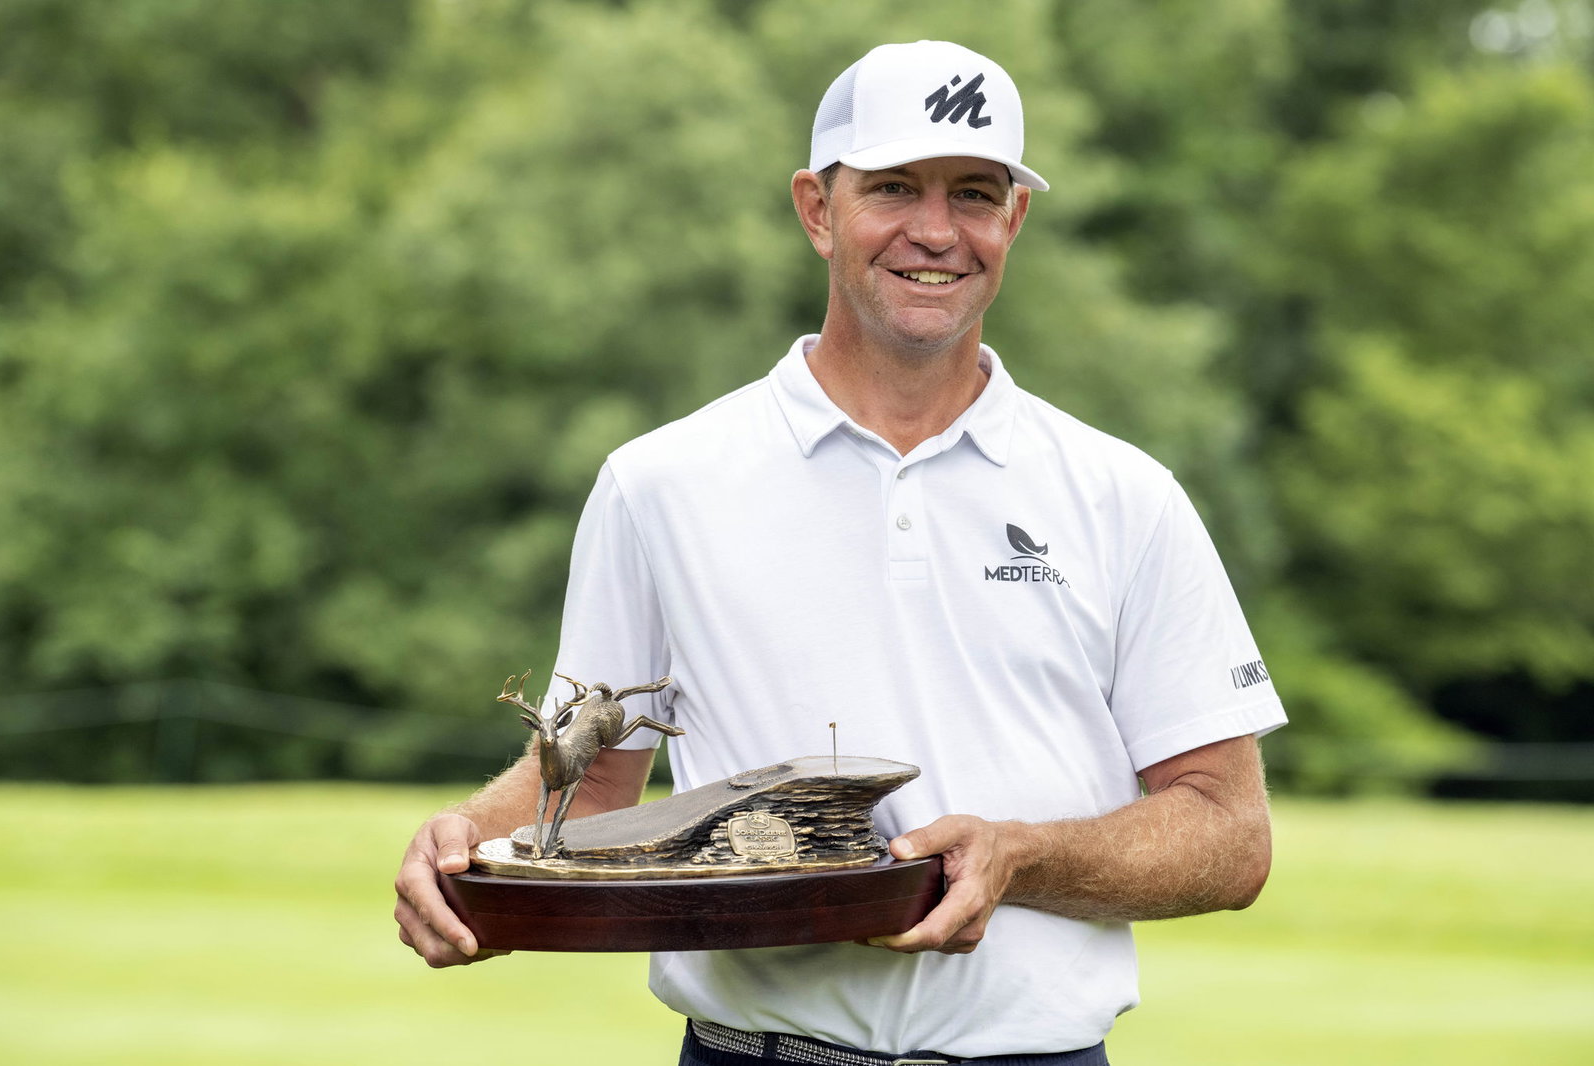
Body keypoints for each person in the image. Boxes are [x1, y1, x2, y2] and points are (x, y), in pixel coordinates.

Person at [395, 40, 1286, 1066]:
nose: (936, 230)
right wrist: (463, 838)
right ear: (817, 209)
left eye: (975, 193)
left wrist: (1017, 857)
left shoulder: (1124, 495)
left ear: (1016, 220)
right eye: (894, 188)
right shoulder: (661, 482)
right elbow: (589, 785)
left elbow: (1229, 835)